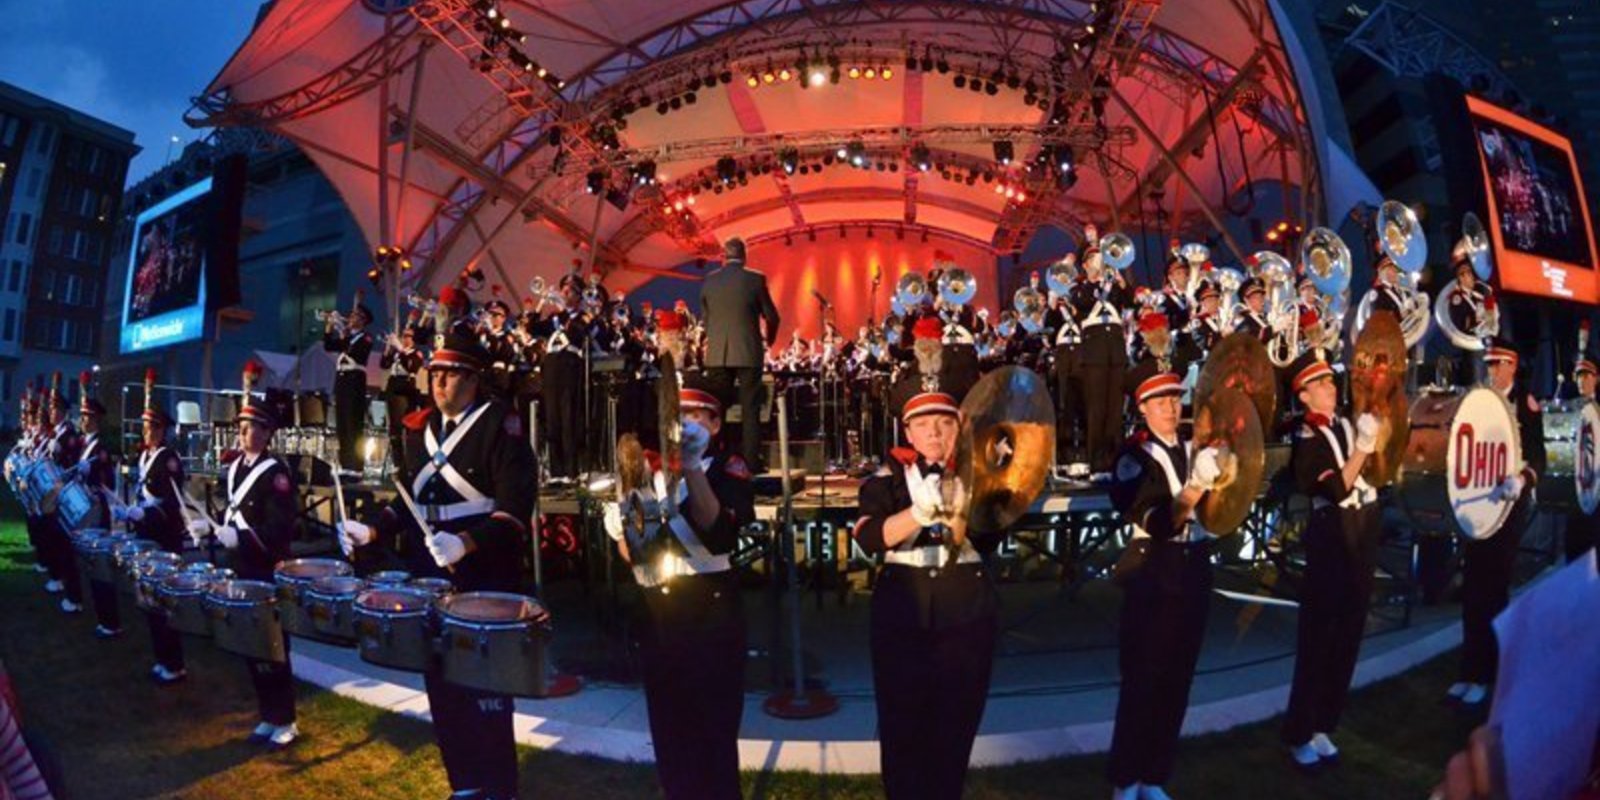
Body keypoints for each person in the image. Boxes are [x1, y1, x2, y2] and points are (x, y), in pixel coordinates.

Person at [338, 332, 536, 800]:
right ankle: (463, 782)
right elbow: (408, 500)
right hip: (429, 572)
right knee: (442, 682)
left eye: (449, 374)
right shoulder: (418, 430)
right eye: (435, 373)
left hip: (484, 572)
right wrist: (373, 530)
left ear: (472, 378)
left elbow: (514, 509)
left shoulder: (498, 426)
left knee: (485, 688)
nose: (438, 382)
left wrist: (467, 542)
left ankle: (500, 787)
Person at [602, 374, 754, 800]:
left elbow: (721, 533)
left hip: (711, 608)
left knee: (714, 738)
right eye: (677, 414)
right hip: (658, 610)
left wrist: (691, 468)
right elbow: (637, 557)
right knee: (669, 736)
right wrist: (621, 534)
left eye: (695, 415)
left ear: (716, 423)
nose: (684, 423)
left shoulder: (729, 467)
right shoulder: (646, 472)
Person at [850, 347, 992, 800]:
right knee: (901, 721)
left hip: (964, 604)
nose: (934, 431)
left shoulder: (980, 475)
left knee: (957, 720)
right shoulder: (887, 476)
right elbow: (869, 537)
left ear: (958, 427)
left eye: (945, 421)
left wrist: (964, 496)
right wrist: (917, 513)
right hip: (903, 604)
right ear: (907, 429)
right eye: (924, 423)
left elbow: (989, 538)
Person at [1107, 363, 1226, 800]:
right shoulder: (1132, 457)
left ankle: (1155, 775)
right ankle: (1125, 778)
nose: (1171, 408)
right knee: (1143, 678)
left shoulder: (1196, 448)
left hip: (1193, 565)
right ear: (1142, 408)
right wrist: (1195, 487)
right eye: (1160, 401)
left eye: (1175, 398)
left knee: (1179, 677)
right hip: (1153, 570)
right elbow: (1158, 521)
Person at [186, 362, 300, 747]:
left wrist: (239, 538)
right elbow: (229, 515)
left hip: (266, 567)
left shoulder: (277, 473)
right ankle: (268, 714)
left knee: (273, 647)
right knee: (251, 646)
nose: (244, 432)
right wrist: (212, 530)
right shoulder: (233, 469)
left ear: (267, 432)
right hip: (240, 567)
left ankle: (286, 718)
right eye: (241, 427)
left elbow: (280, 529)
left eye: (251, 427)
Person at [1281, 353, 1381, 770]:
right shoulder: (1307, 436)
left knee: (1348, 634)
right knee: (1319, 638)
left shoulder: (1342, 423)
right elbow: (1336, 488)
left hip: (1361, 530)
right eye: (1321, 383)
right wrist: (1362, 448)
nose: (1331, 387)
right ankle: (1299, 731)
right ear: (1304, 394)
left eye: (1330, 381)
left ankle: (1325, 723)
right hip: (1332, 534)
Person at [1449, 341, 1544, 707]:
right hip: (1479, 502)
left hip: (1508, 505)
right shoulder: (1480, 398)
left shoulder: (1526, 404)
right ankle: (1468, 670)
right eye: (1489, 363)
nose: (1491, 370)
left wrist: (1523, 480)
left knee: (1494, 588)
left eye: (1498, 363)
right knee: (1473, 588)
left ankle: (1488, 674)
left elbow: (1538, 454)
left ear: (1512, 366)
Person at [113, 369, 189, 685]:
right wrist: (133, 513)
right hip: (146, 535)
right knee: (149, 603)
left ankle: (175, 663)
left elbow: (173, 505)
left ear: (162, 430)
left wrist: (145, 516)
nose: (145, 432)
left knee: (164, 604)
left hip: (164, 538)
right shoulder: (146, 457)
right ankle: (162, 658)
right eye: (144, 427)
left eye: (150, 427)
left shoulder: (169, 459)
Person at [700, 237, 780, 471]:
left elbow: (707, 319)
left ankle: (715, 460)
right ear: (744, 256)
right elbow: (772, 317)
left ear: (724, 256)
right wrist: (770, 339)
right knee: (750, 409)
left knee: (717, 410)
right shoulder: (755, 280)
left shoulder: (710, 282)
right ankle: (751, 464)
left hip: (717, 354)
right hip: (747, 351)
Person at [1069, 227, 1133, 482]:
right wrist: (1098, 281)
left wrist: (1121, 282)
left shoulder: (1114, 286)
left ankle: (1116, 462)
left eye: (1100, 256)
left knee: (1115, 407)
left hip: (1115, 349)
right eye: (1094, 257)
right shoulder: (1081, 288)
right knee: (1097, 408)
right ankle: (1096, 464)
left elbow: (1131, 302)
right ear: (1086, 264)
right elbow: (1082, 304)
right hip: (1094, 351)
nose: (1100, 260)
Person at [74, 372, 121, 637]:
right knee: (92, 565)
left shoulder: (100, 447)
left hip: (97, 510)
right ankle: (103, 616)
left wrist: (88, 473)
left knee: (101, 566)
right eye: (82, 416)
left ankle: (111, 620)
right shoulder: (84, 445)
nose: (82, 421)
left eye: (87, 417)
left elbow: (107, 482)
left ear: (96, 420)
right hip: (86, 508)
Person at [38, 374, 84, 614]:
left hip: (64, 496)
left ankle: (74, 597)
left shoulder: (68, 435)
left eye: (56, 409)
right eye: (51, 408)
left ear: (64, 411)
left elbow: (71, 466)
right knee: (56, 543)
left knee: (65, 547)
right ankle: (60, 581)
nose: (52, 412)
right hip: (54, 493)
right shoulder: (56, 434)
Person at [324, 301, 374, 475]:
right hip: (342, 379)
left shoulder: (366, 338)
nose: (351, 319)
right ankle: (345, 463)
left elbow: (356, 353)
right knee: (342, 422)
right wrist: (330, 326)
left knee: (353, 422)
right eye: (351, 316)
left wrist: (344, 332)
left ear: (363, 320)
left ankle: (356, 465)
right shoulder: (348, 337)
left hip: (355, 380)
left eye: (355, 316)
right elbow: (329, 346)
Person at [381, 320, 427, 470]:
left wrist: (400, 349)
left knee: (405, 428)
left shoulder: (416, 354)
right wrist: (389, 346)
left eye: (409, 336)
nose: (405, 338)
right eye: (403, 336)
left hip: (405, 391)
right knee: (393, 429)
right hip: (393, 389)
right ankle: (396, 462)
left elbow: (410, 366)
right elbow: (384, 364)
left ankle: (407, 463)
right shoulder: (398, 353)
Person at [1566, 352, 1597, 563]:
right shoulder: (1567, 408)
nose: (1582, 381)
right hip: (1575, 488)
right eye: (1578, 376)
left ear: (1597, 378)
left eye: (1586, 376)